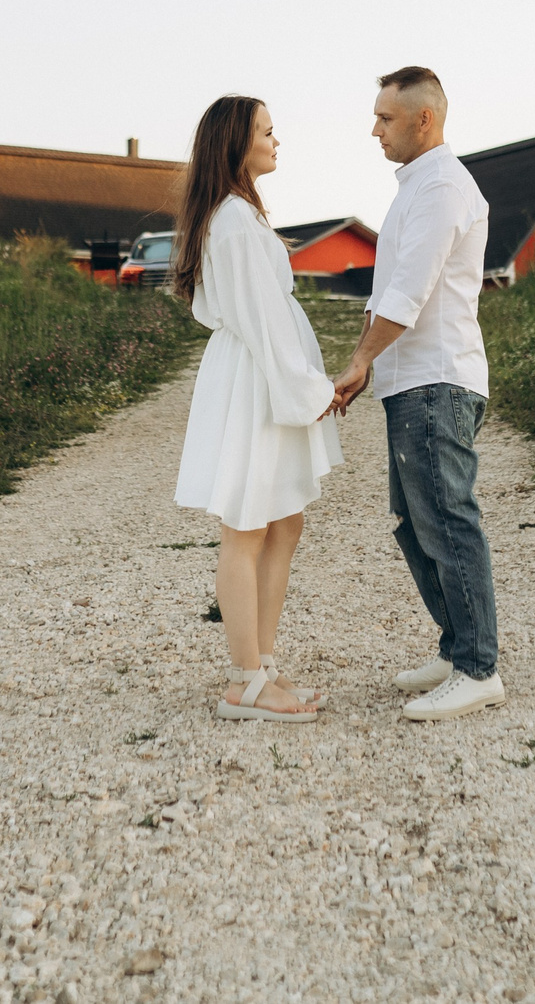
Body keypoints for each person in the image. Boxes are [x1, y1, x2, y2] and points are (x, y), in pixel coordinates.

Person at [329, 66, 504, 721]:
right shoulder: (416, 187)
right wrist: (375, 364)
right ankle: (457, 645)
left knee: (448, 519)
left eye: (385, 116)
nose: (374, 128)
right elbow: (391, 288)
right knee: (415, 523)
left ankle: (479, 665)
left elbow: (411, 290)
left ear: (423, 118)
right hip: (412, 382)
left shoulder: (442, 189)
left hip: (437, 378)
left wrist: (359, 360)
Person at [172, 95, 343, 722]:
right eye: (268, 132)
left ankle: (262, 664)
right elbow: (264, 322)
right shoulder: (235, 221)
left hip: (262, 376)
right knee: (246, 527)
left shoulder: (240, 214)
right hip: (255, 381)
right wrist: (312, 391)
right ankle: (245, 680)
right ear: (236, 143)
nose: (277, 141)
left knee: (284, 522)